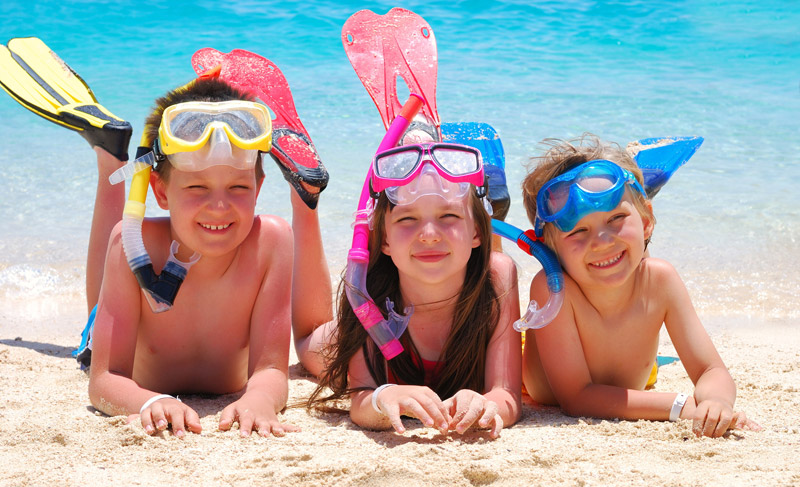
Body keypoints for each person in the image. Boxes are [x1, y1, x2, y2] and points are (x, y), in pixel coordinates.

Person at [87, 78, 301, 438]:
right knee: (115, 256)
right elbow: (105, 379)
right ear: (160, 191)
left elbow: (272, 371)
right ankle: (109, 160)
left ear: (259, 188)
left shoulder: (271, 242)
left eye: (238, 187)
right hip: (132, 333)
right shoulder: (133, 242)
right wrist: (147, 402)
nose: (219, 207)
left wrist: (261, 399)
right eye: (196, 187)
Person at [520, 134, 760, 438]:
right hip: (559, 364)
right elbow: (577, 397)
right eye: (578, 231)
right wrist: (682, 406)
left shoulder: (660, 281)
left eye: (615, 218)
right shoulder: (552, 290)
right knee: (618, 254)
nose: (600, 240)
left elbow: (711, 371)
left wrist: (716, 400)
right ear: (550, 250)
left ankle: (638, 194)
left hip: (639, 376)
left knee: (627, 258)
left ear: (648, 222)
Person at [297, 140, 522, 438]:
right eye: (407, 219)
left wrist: (487, 403)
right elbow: (361, 398)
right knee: (306, 344)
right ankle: (304, 200)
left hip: (475, 266)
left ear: (479, 232)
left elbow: (506, 395)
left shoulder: (499, 276)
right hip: (345, 335)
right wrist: (384, 397)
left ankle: (428, 147)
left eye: (448, 216)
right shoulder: (366, 291)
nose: (429, 235)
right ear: (385, 239)